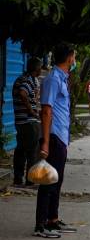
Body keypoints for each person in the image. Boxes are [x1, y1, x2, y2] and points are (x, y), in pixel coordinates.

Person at [35, 43, 78, 238]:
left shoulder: (62, 78)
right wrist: (44, 141)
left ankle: (52, 219)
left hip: (61, 136)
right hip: (52, 136)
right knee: (48, 181)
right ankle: (41, 225)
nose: (75, 60)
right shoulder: (52, 79)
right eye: (74, 57)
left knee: (57, 180)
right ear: (69, 58)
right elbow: (46, 110)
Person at [12, 57, 42, 187]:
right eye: (40, 67)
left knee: (20, 150)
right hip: (29, 121)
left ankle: (18, 178)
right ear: (37, 69)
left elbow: (31, 95)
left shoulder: (22, 79)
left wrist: (35, 102)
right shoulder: (28, 80)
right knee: (32, 151)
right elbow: (23, 93)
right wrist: (31, 111)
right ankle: (30, 180)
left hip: (20, 121)